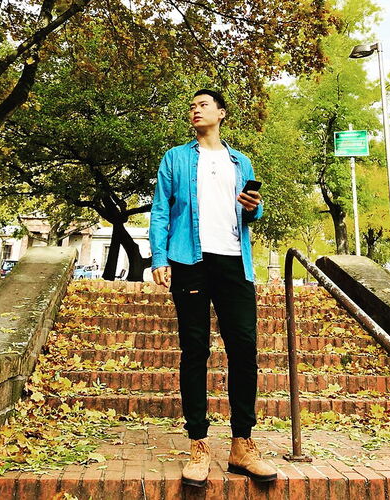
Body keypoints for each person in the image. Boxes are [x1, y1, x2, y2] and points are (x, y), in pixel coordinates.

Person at [149, 89, 277, 487]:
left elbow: (251, 213)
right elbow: (160, 209)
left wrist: (253, 207)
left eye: (203, 104)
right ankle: (198, 444)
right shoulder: (176, 158)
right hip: (189, 259)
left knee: (244, 348)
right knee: (195, 349)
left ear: (221, 113)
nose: (195, 109)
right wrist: (159, 257)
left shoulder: (241, 161)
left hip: (235, 260)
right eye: (191, 106)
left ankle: (242, 444)